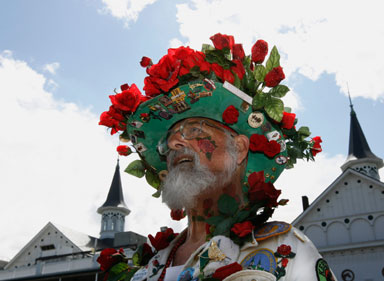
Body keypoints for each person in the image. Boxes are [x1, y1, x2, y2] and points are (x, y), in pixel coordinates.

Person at [98, 33, 335, 281]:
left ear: (240, 148)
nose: (172, 143)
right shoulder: (146, 270)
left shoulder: (284, 248)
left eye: (194, 130)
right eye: (166, 142)